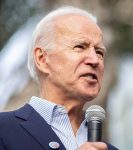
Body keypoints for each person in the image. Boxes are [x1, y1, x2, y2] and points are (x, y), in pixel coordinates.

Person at [0, 6, 118, 150]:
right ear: (42, 59)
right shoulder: (4, 130)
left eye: (99, 52)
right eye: (80, 47)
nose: (95, 60)